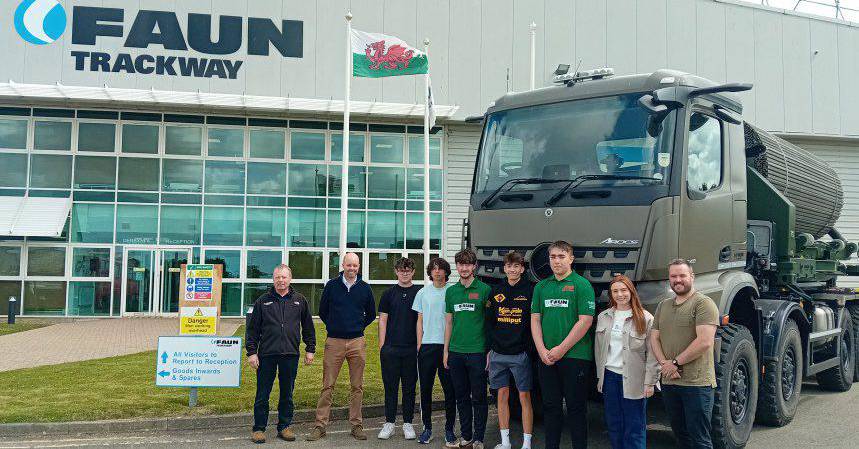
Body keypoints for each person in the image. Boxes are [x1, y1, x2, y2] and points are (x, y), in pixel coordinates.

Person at [530, 240, 595, 449]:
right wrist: (542, 350)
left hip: (575, 357)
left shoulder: (582, 285)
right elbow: (535, 320)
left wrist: (560, 349)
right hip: (546, 358)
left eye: (561, 256)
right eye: (552, 257)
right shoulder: (542, 286)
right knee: (551, 407)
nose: (556, 261)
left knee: (576, 409)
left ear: (571, 259)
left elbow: (585, 320)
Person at [307, 252, 376, 441]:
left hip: (357, 342)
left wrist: (358, 326)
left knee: (357, 386)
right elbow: (322, 311)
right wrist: (334, 326)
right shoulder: (331, 286)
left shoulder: (365, 288)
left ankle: (356, 425)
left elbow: (371, 313)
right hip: (334, 342)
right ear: (343, 265)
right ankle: (320, 426)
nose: (352, 268)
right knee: (327, 386)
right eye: (349, 265)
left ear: (359, 266)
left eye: (355, 265)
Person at [650, 259, 719, 449]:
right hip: (670, 381)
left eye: (682, 275)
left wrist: (674, 362)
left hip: (696, 384)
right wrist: (664, 363)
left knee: (699, 439)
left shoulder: (704, 304)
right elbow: (654, 338)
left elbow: (704, 341)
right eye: (673, 276)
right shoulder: (663, 305)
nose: (677, 280)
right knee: (680, 436)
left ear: (692, 277)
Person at [245, 264, 316, 444]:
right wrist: (252, 352)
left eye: (284, 277)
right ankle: (259, 429)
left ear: (290, 279)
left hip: (290, 354)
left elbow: (308, 326)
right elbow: (252, 330)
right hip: (267, 355)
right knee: (263, 393)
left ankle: (284, 426)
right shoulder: (263, 301)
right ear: (273, 279)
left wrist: (310, 348)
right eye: (277, 277)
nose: (281, 280)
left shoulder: (300, 300)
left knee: (287, 393)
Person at [594, 275, 659, 449]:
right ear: (611, 294)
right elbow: (598, 350)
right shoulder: (603, 317)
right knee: (614, 425)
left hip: (634, 380)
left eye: (623, 290)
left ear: (631, 292)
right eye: (615, 291)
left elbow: (653, 354)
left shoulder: (645, 318)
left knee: (634, 427)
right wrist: (600, 378)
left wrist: (650, 382)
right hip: (609, 378)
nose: (620, 294)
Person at [485, 251, 534, 449]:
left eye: (516, 266)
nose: (512, 270)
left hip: (520, 354)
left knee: (524, 397)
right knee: (502, 396)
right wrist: (491, 348)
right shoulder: (495, 291)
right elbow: (489, 323)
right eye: (509, 266)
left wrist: (529, 350)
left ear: (522, 269)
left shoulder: (531, 291)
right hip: (498, 353)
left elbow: (534, 323)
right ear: (504, 268)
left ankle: (526, 442)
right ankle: (505, 441)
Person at [444, 248, 492, 449]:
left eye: (467, 264)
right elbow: (449, 323)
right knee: (461, 396)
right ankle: (466, 435)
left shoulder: (485, 290)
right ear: (457, 267)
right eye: (460, 264)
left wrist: (488, 350)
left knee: (479, 397)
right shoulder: (451, 291)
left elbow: (489, 323)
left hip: (478, 352)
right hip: (455, 352)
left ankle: (479, 437)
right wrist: (446, 351)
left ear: (474, 267)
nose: (464, 268)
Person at [413, 257, 460, 447]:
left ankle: (450, 430)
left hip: (448, 347)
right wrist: (419, 344)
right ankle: (427, 428)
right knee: (426, 390)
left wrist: (450, 347)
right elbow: (419, 320)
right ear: (430, 272)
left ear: (446, 272)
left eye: (441, 269)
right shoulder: (422, 293)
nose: (438, 272)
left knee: (450, 391)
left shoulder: (454, 291)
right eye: (434, 269)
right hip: (427, 346)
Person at [377, 257, 422, 440]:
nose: (405, 273)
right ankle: (389, 423)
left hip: (411, 349)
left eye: (408, 270)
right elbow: (383, 320)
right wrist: (382, 346)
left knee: (409, 388)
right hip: (391, 349)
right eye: (401, 270)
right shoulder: (388, 294)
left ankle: (408, 423)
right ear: (396, 271)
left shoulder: (419, 293)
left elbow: (421, 320)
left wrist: (419, 346)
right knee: (391, 387)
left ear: (413, 272)